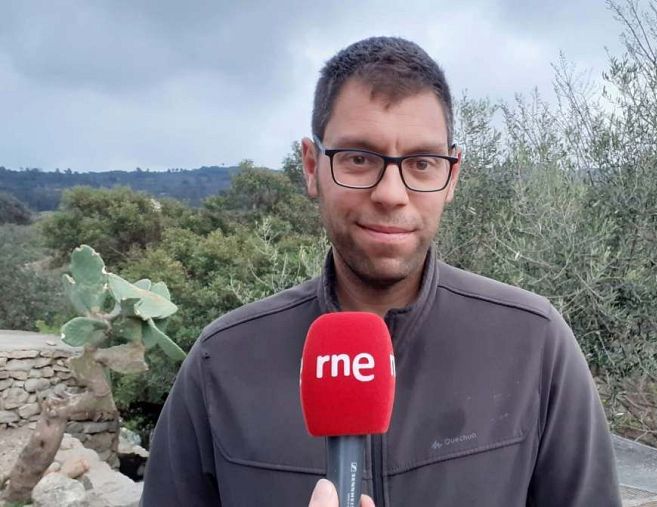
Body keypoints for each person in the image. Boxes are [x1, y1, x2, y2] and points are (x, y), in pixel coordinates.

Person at [141, 36, 622, 507]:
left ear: (450, 176)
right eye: (358, 158)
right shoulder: (221, 362)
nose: (391, 192)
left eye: (422, 163)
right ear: (312, 166)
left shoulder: (534, 343)